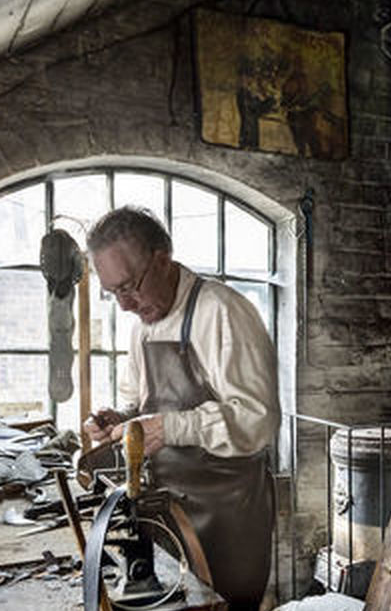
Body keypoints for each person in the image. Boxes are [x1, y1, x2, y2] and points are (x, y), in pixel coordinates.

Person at [82, 206, 279, 610]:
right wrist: (120, 421)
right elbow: (139, 402)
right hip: (167, 515)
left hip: (228, 517)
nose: (125, 305)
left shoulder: (222, 311)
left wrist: (171, 429)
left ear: (162, 258)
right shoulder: (141, 325)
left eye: (130, 286)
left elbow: (258, 420)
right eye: (114, 292)